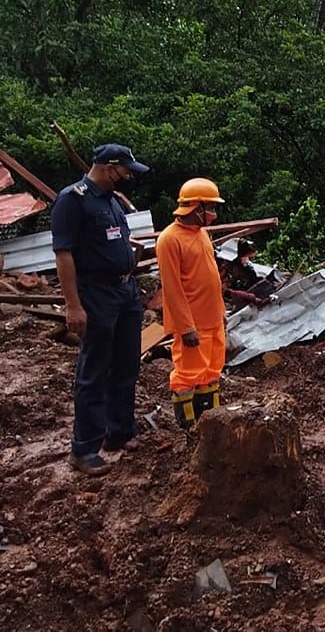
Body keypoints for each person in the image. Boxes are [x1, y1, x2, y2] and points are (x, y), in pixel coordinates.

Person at [51, 143, 149, 475]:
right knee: (94, 371)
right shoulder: (72, 200)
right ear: (109, 168)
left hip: (125, 292)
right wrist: (73, 305)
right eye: (126, 171)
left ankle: (118, 432)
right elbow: (63, 254)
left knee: (126, 364)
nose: (128, 178)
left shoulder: (111, 201)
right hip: (96, 295)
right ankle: (84, 448)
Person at [155, 177, 227, 431]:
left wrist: (221, 312)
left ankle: (211, 425)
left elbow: (210, 277)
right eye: (211, 208)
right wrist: (186, 328)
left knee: (210, 372)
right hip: (193, 324)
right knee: (188, 375)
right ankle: (189, 430)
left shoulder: (201, 235)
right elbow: (172, 289)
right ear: (197, 207)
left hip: (212, 320)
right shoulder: (169, 239)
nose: (214, 215)